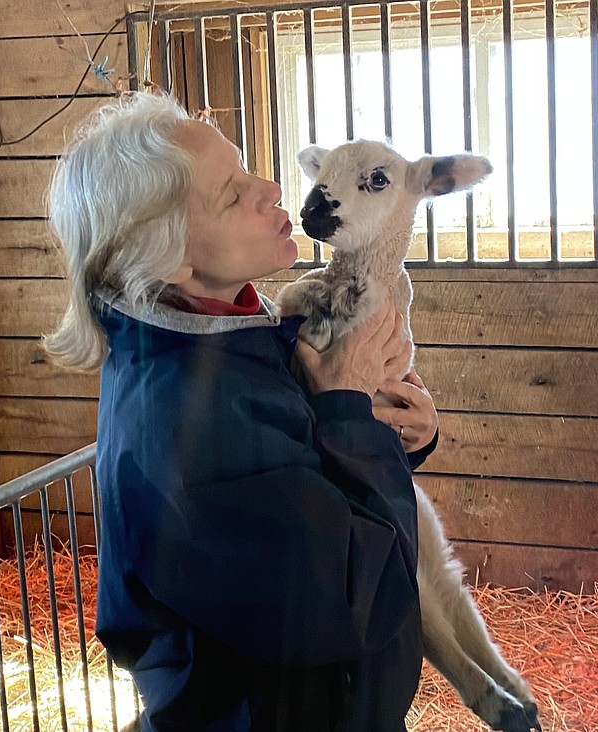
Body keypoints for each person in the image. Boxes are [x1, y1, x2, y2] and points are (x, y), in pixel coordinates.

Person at [45, 92, 440, 732]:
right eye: (232, 193)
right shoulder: (186, 433)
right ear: (171, 255)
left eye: (245, 166)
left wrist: (394, 431)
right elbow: (356, 596)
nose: (272, 188)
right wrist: (347, 415)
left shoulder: (236, 334)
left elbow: (308, 466)